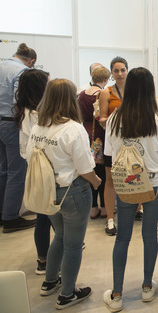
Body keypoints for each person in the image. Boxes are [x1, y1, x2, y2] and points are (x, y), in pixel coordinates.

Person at [102, 68, 158, 311]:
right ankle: (146, 287)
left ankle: (116, 294)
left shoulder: (114, 119)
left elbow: (109, 155)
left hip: (126, 185)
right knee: (150, 234)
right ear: (151, 90)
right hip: (155, 184)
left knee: (122, 237)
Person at [25, 79, 101, 310]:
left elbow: (29, 157)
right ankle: (67, 294)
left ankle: (50, 282)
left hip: (49, 192)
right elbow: (85, 167)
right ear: (71, 99)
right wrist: (96, 181)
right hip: (73, 192)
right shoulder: (73, 128)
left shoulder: (39, 126)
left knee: (59, 236)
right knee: (73, 245)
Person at [14, 69, 50, 274]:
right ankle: (47, 258)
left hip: (34, 168)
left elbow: (24, 149)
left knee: (44, 215)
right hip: (44, 169)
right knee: (49, 215)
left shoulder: (25, 112)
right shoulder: (38, 115)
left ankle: (43, 258)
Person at [0, 43, 38, 233]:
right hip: (11, 123)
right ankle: (11, 218)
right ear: (31, 61)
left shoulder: (1, 65)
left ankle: (2, 213)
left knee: (2, 170)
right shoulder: (22, 72)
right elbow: (18, 100)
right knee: (17, 171)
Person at [99, 57, 129, 236]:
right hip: (112, 143)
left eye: (122, 70)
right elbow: (102, 119)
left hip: (132, 141)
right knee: (110, 180)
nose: (119, 74)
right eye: (116, 70)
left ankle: (138, 208)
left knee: (135, 174)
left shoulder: (134, 91)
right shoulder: (106, 93)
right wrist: (114, 117)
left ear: (127, 71)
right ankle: (110, 218)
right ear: (111, 72)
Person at [78, 66, 111, 219]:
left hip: (85, 132)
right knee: (103, 173)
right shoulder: (101, 95)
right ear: (105, 79)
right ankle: (104, 207)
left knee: (89, 170)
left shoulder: (82, 94)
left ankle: (93, 207)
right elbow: (101, 118)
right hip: (99, 134)